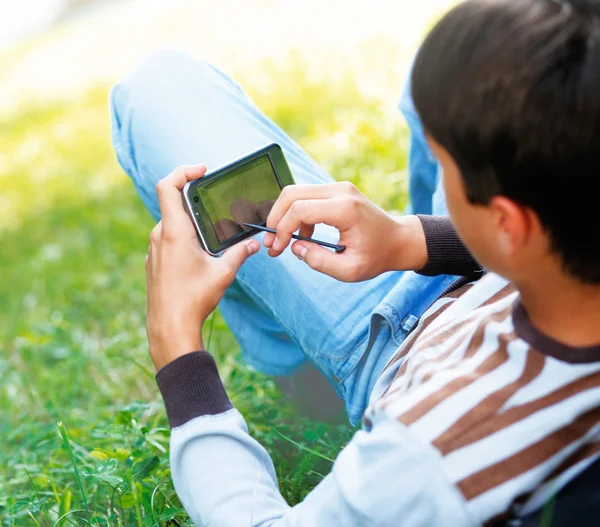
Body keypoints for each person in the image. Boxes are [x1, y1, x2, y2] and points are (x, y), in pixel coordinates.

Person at [110, 0, 600, 524]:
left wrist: (178, 349)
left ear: (508, 225)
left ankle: (309, 383)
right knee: (443, 80)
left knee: (154, 91)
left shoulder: (432, 460)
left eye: (449, 168)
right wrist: (414, 241)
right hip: (487, 279)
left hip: (397, 349)